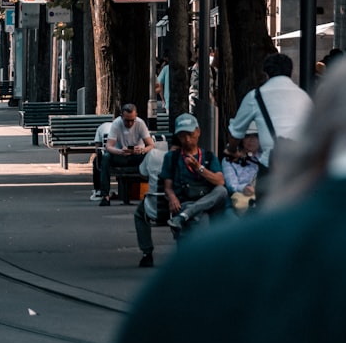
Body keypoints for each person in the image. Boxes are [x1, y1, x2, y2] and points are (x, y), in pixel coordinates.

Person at [92, 27, 346, 343]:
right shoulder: (303, 97)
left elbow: (237, 129)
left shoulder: (205, 268)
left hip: (272, 173)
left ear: (332, 125)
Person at [132, 112, 225, 267]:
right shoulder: (172, 157)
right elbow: (168, 186)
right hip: (185, 201)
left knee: (221, 191)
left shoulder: (208, 156)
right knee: (200, 218)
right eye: (182, 136)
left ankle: (185, 217)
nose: (187, 140)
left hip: (204, 200)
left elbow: (220, 181)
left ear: (198, 132)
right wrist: (172, 197)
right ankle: (192, 254)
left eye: (190, 134)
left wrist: (198, 168)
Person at [224, 52, 312, 189]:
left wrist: (232, 149)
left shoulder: (256, 96)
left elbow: (236, 132)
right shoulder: (304, 96)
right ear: (290, 72)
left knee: (267, 205)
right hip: (300, 165)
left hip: (271, 165)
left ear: (266, 74)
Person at [97, 103, 156, 206]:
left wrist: (142, 150)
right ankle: (105, 195)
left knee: (152, 156)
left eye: (132, 120)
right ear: (121, 117)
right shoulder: (116, 124)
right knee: (106, 157)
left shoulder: (140, 123)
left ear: (136, 116)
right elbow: (109, 146)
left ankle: (154, 193)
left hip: (137, 155)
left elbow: (151, 145)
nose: (130, 124)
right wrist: (120, 151)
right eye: (127, 120)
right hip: (120, 155)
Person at [223, 122, 262, 213]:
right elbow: (231, 185)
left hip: (263, 199)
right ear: (241, 139)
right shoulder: (229, 159)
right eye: (248, 136)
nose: (251, 140)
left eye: (255, 136)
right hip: (238, 203)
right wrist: (244, 188)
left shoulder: (265, 158)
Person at [90, 115, 116, 201]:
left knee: (96, 161)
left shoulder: (102, 127)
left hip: (108, 155)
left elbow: (97, 146)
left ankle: (98, 190)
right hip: (125, 155)